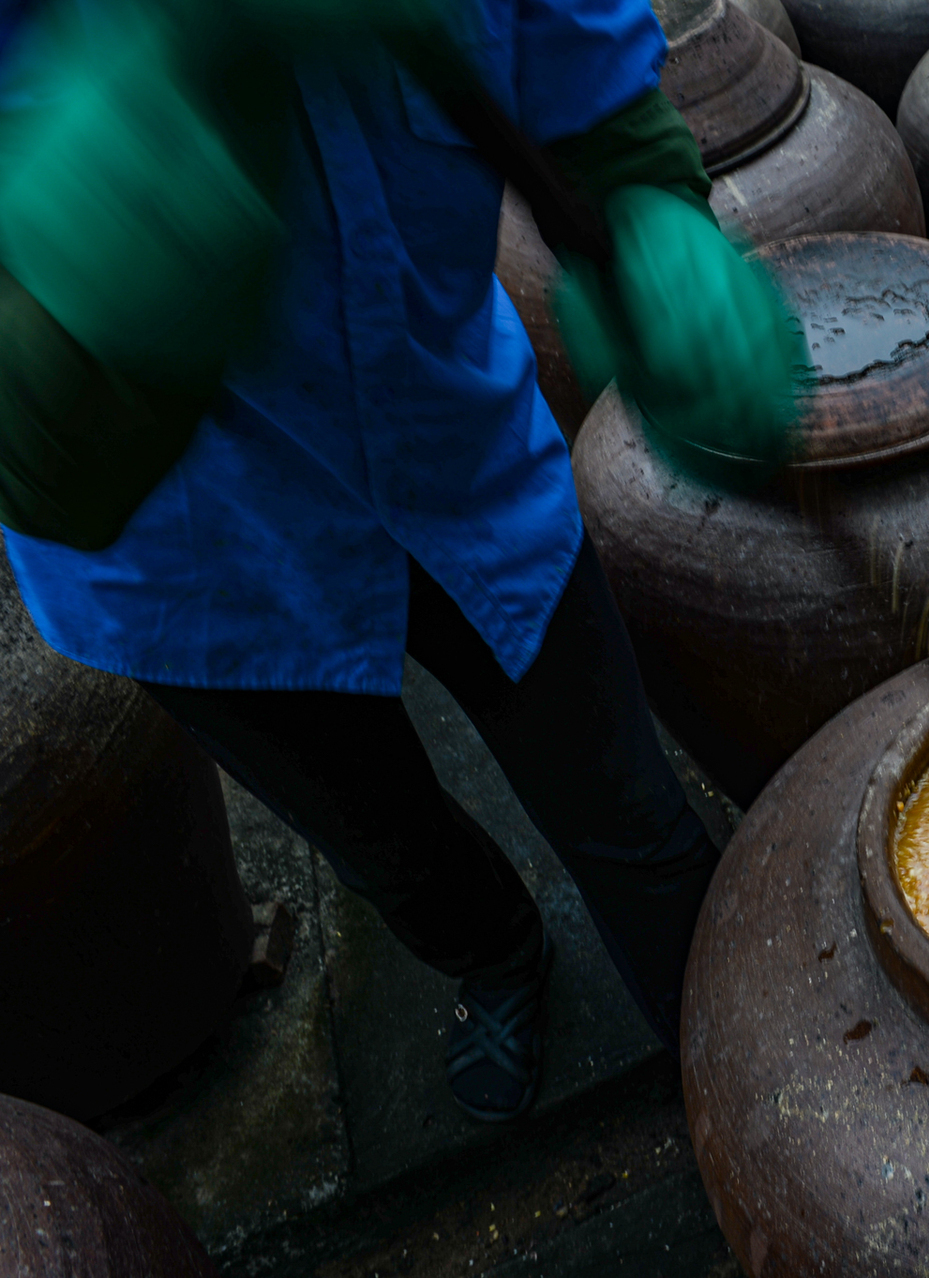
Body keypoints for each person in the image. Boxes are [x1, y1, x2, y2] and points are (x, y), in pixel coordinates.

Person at [0, 0, 796, 1121]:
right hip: (204, 564)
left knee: (634, 818)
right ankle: (498, 956)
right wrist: (137, 167)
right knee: (392, 847)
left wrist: (649, 203)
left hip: (456, 447)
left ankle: (745, 1091)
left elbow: (581, 77)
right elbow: (46, 469)